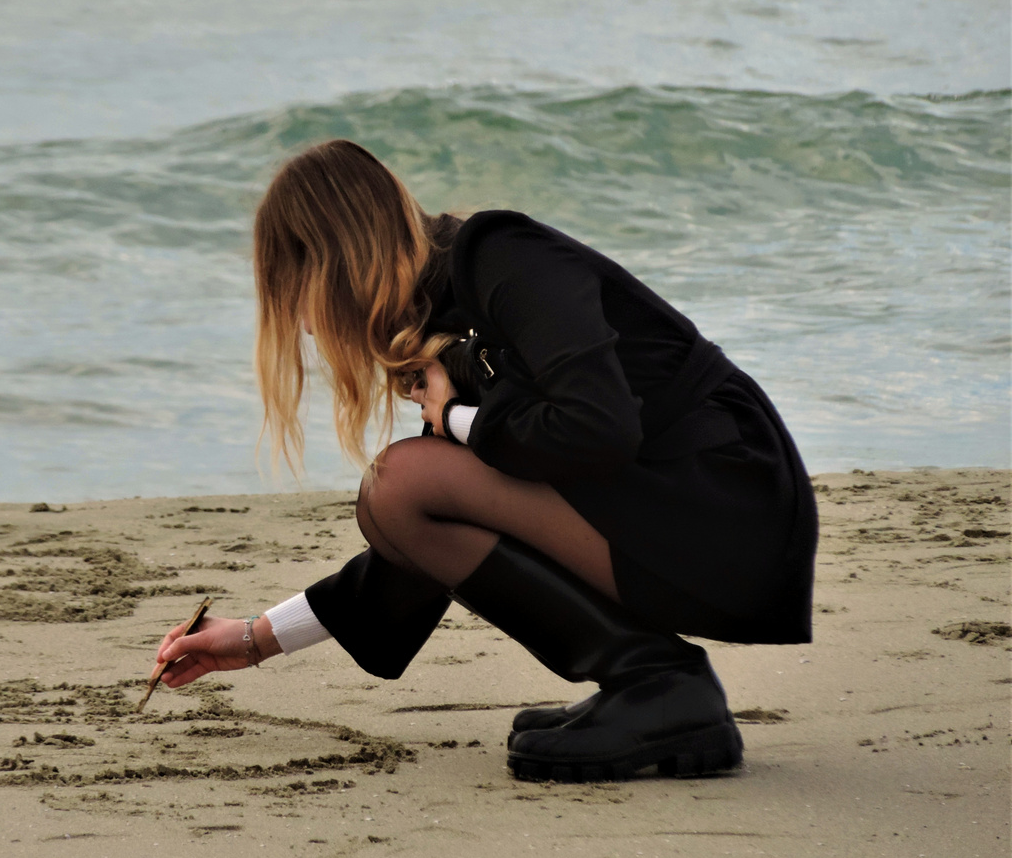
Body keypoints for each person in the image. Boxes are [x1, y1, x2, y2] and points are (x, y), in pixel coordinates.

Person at [153, 139, 817, 782]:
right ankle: (652, 683)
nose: (301, 323)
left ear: (333, 259)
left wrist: (456, 419)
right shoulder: (442, 311)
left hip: (727, 499)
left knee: (403, 482)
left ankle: (659, 684)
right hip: (670, 504)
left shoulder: (502, 256)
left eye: (294, 291)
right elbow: (419, 545)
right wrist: (254, 638)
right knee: (405, 490)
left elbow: (597, 427)